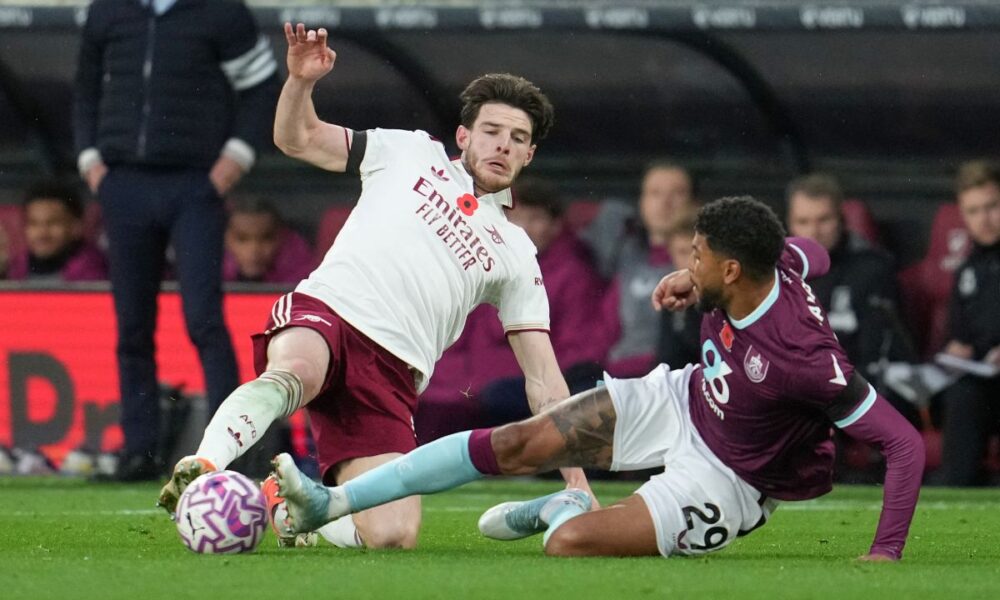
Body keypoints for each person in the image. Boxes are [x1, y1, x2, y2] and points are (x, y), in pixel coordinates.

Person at [270, 196, 924, 562]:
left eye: (696, 256)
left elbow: (905, 444)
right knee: (518, 442)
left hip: (733, 478)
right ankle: (334, 504)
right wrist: (690, 282)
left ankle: (567, 509)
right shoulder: (772, 263)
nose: (683, 262)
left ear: (731, 271)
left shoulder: (805, 360)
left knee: (571, 548)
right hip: (685, 399)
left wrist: (885, 553)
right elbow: (814, 253)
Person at [157, 23, 593, 550]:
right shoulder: (408, 152)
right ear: (463, 136)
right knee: (295, 371)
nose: (502, 145)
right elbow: (296, 139)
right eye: (491, 131)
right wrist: (299, 83)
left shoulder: (517, 252)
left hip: (391, 376)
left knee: (392, 536)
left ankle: (282, 508)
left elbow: (544, 379)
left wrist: (578, 484)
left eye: (517, 138)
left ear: (529, 156)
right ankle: (204, 466)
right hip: (331, 312)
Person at [73, 0, 279, 480]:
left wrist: (239, 155)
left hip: (195, 184)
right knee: (132, 327)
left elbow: (261, 86)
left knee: (204, 318)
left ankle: (228, 451)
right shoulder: (108, 10)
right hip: (123, 183)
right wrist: (89, 160)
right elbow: (84, 87)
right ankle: (139, 453)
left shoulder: (222, 11)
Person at [416, 176, 607, 441]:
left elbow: (575, 352)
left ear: (555, 226)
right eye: (517, 217)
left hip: (526, 384)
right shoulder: (486, 265)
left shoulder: (574, 275)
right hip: (471, 380)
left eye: (536, 218)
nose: (525, 227)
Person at [785, 174, 915, 384]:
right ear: (790, 224)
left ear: (842, 220)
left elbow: (875, 356)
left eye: (824, 220)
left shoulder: (873, 269)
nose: (813, 232)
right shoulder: (775, 272)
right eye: (803, 222)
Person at [584, 161, 697, 377]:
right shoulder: (626, 260)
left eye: (677, 193)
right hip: (616, 375)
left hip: (667, 379)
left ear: (694, 201)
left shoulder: (703, 267)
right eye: (655, 193)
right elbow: (602, 334)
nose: (666, 203)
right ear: (641, 201)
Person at [937, 160, 1000, 486]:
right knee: (962, 394)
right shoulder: (968, 270)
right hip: (985, 383)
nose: (984, 219)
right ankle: (958, 489)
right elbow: (959, 336)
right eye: (973, 211)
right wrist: (957, 350)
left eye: (991, 207)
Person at [5, 182, 107, 282]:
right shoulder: (14, 268)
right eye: (33, 223)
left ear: (76, 227)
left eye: (53, 223)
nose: (42, 233)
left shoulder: (93, 274)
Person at [223, 196, 314, 284]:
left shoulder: (304, 279)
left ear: (281, 238)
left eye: (266, 238)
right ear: (226, 239)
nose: (255, 249)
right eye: (242, 239)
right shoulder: (212, 273)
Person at [655, 209, 700, 368]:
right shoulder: (670, 293)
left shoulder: (720, 297)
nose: (689, 261)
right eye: (681, 252)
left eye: (694, 252)